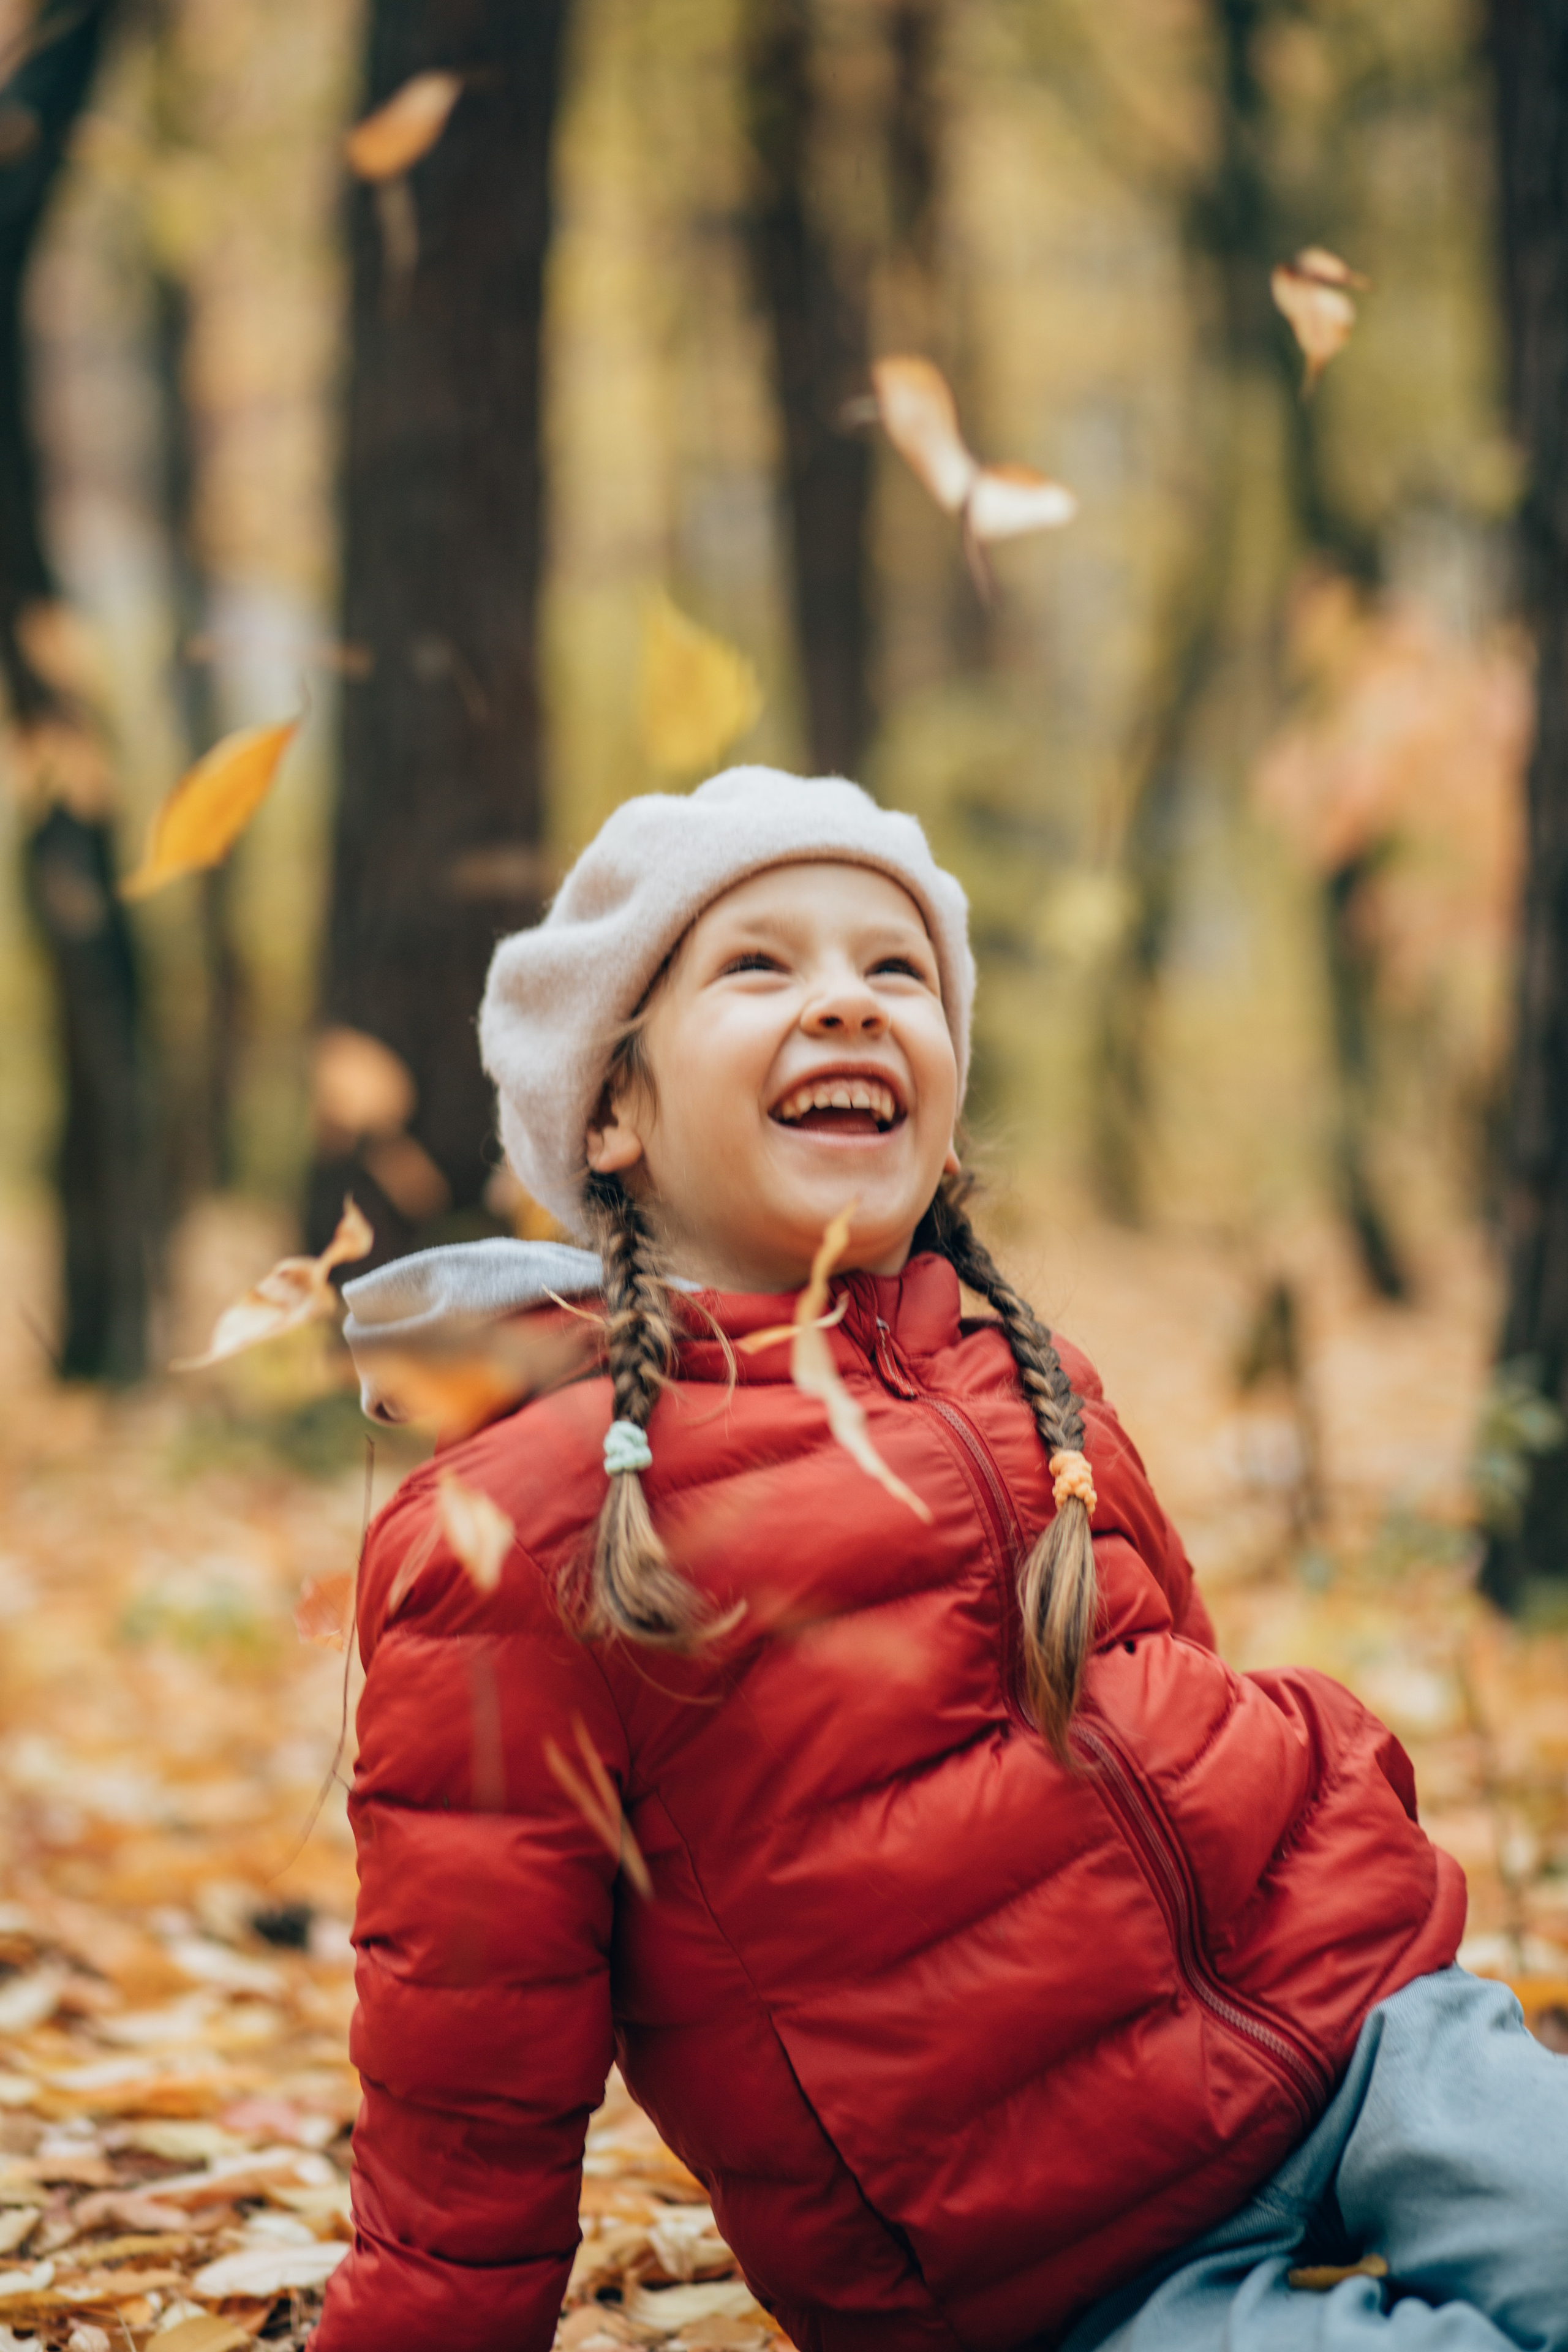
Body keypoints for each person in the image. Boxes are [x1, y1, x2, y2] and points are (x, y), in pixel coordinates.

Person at [314, 768, 1566, 2352]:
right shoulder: (531, 1527)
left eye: (893, 970)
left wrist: (1343, 1823)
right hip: (1063, 2273)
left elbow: (1164, 1668)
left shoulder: (1017, 1363)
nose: (845, 1003)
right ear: (612, 1110)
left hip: (1376, 2036)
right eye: (759, 966)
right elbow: (469, 2076)